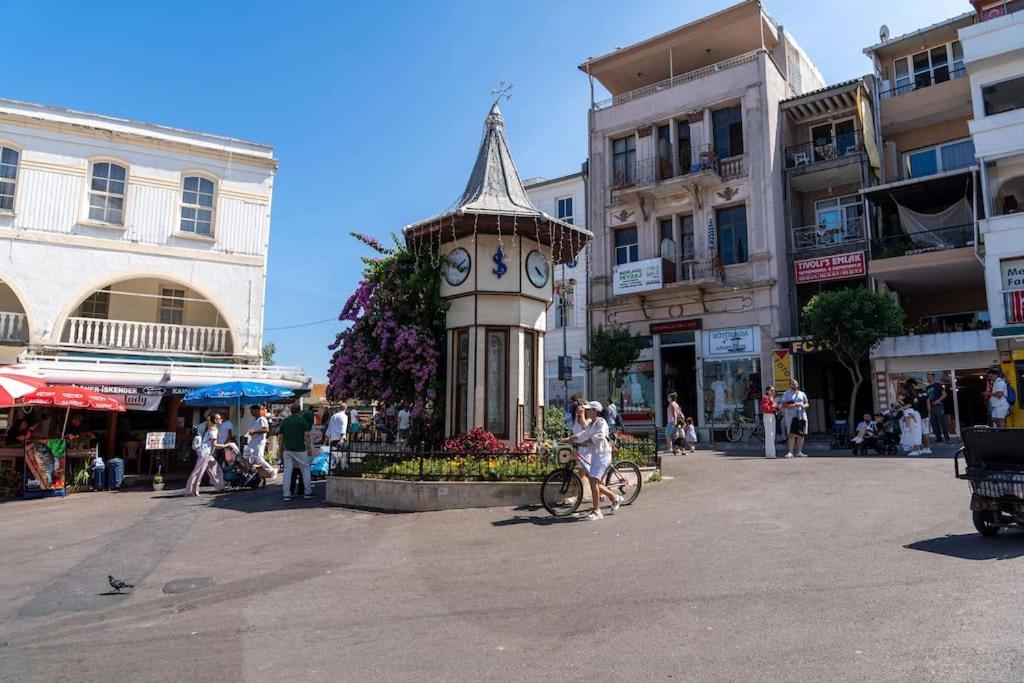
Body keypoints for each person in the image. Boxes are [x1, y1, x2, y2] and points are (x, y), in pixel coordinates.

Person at [568, 401, 623, 521]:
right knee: (594, 481)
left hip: (603, 455)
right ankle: (614, 498)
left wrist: (588, 441)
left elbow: (600, 436)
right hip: (596, 455)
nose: (587, 411)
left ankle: (597, 511)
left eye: (589, 409)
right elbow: (584, 434)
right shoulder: (592, 424)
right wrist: (570, 438)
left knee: (593, 481)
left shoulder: (601, 422)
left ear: (595, 411)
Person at [185, 413, 226, 496]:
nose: (221, 419)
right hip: (205, 452)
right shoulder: (213, 430)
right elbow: (214, 444)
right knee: (198, 471)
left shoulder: (210, 428)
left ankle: (220, 487)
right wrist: (226, 445)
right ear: (215, 420)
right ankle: (190, 491)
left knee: (216, 468)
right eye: (220, 418)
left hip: (206, 452)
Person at [280, 404, 313, 501]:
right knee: (305, 469)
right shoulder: (302, 421)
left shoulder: (285, 421)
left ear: (291, 410)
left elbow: (281, 438)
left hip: (287, 449)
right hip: (300, 449)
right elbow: (306, 436)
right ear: (300, 411)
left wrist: (280, 450)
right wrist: (309, 448)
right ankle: (307, 492)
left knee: (287, 472)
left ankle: (286, 494)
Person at [243, 404, 276, 477]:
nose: (251, 413)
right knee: (250, 457)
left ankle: (272, 470)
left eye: (252, 411)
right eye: (251, 411)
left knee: (259, 458)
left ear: (257, 411)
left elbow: (266, 429)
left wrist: (254, 432)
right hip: (253, 442)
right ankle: (256, 473)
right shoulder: (255, 420)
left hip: (259, 442)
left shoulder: (262, 419)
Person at [780, 379, 809, 458]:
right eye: (793, 384)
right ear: (790, 385)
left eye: (796, 384)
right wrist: (794, 405)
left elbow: (807, 404)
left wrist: (803, 405)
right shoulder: (786, 394)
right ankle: (790, 452)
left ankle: (799, 451)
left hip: (802, 416)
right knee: (791, 434)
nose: (795, 385)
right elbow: (783, 405)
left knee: (801, 434)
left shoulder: (802, 394)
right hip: (791, 417)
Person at [925, 373, 950, 443]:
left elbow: (945, 394)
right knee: (934, 423)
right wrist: (928, 408)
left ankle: (947, 438)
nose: (929, 378)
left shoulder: (938, 385)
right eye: (928, 377)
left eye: (930, 377)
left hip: (939, 406)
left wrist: (938, 401)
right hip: (932, 408)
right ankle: (939, 438)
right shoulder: (927, 388)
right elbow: (927, 399)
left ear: (933, 378)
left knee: (943, 422)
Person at [760, 385, 778, 459]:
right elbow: (764, 408)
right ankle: (771, 454)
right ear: (767, 391)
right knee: (769, 434)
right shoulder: (765, 397)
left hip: (772, 415)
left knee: (772, 434)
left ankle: (771, 453)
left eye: (773, 390)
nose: (773, 391)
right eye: (771, 390)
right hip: (767, 415)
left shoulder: (772, 398)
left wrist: (776, 408)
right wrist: (773, 407)